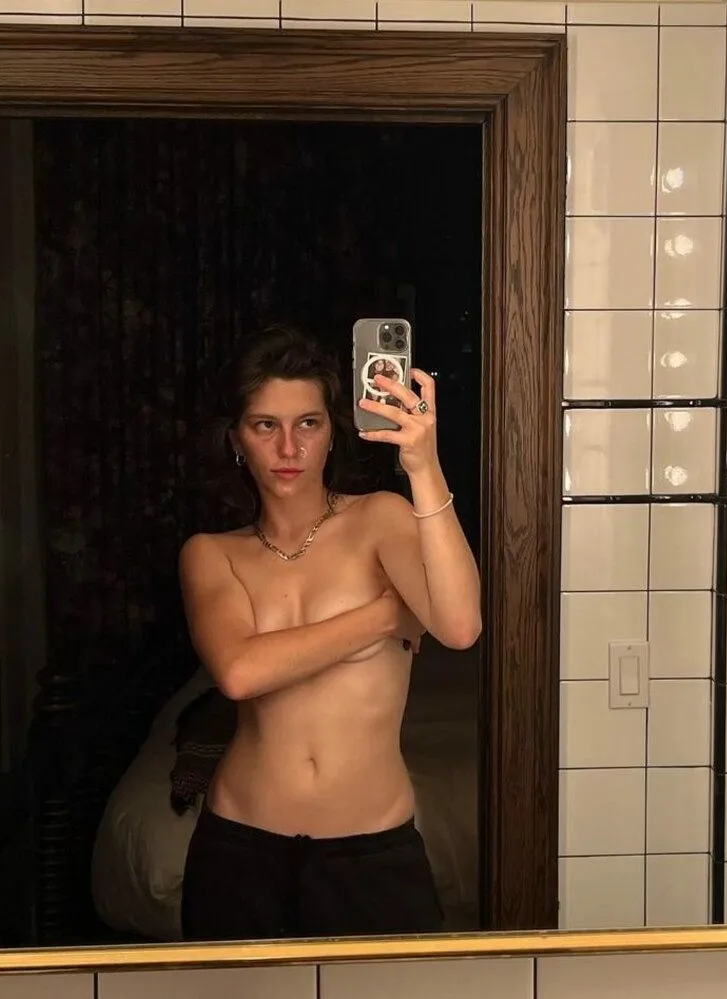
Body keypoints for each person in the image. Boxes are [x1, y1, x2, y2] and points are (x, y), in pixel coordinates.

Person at [177, 325, 482, 941]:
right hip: (238, 848)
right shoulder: (211, 554)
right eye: (266, 425)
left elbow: (458, 627)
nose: (289, 447)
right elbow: (240, 672)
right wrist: (383, 617)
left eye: (308, 424)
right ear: (237, 439)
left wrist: (423, 466)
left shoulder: (380, 518)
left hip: (371, 850)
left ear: (331, 432)